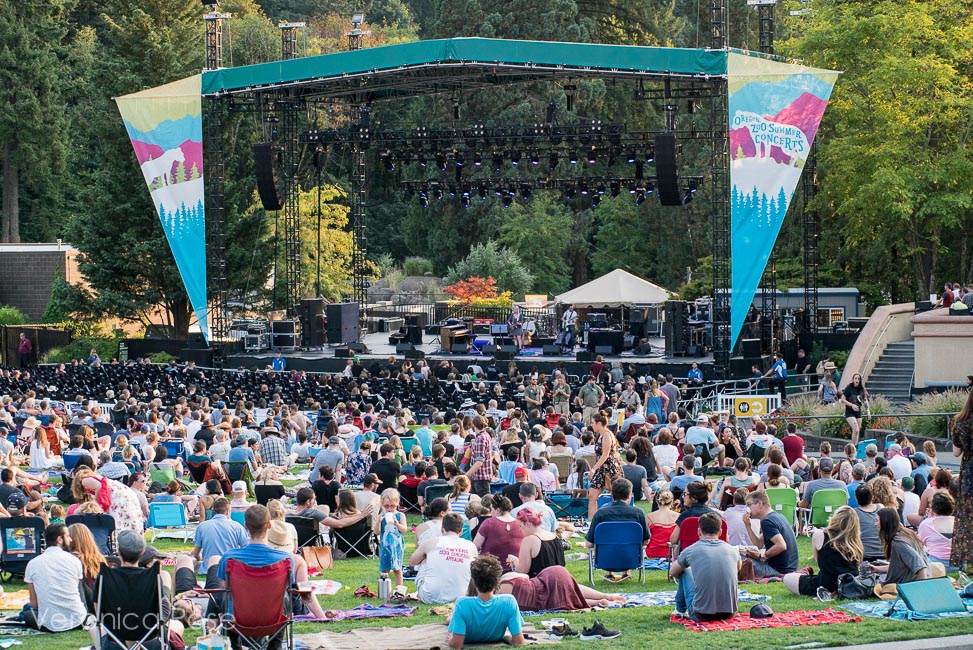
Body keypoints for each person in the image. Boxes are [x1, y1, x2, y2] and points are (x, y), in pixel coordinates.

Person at [669, 512, 740, 621]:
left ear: (699, 531)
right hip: (729, 613)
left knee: (685, 571)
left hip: (701, 614)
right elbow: (737, 569)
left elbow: (673, 572)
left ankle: (680, 610)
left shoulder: (691, 550)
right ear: (720, 532)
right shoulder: (733, 551)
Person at [24, 524, 93, 636]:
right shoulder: (74, 561)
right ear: (59, 539)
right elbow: (80, 593)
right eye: (68, 536)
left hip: (48, 623)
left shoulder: (32, 564)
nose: (70, 540)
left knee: (27, 613)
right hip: (78, 620)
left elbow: (34, 604)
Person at [783, 506, 863, 598]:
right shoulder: (855, 542)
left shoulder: (820, 534)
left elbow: (818, 561)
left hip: (826, 584)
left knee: (788, 578)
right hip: (851, 584)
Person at [447, 555, 525, 649]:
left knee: (451, 621)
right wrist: (506, 637)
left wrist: (449, 639)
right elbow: (519, 642)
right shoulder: (509, 602)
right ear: (497, 581)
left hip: (466, 635)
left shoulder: (462, 604)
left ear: (474, 581)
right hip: (497, 636)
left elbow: (457, 645)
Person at [585, 478, 649, 581]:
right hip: (631, 560)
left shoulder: (600, 513)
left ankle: (609, 571)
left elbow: (589, 544)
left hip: (605, 560)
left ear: (611, 495)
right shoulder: (638, 513)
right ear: (629, 495)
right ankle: (626, 571)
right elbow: (646, 541)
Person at [410, 513, 478, 604]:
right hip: (463, 595)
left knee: (425, 558)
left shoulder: (431, 542)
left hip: (430, 596)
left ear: (442, 530)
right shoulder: (471, 546)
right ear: (461, 531)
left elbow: (412, 562)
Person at [498, 564, 625, 611]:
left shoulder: (497, 596)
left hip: (543, 598)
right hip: (549, 576)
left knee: (571, 600)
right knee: (571, 590)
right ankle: (604, 596)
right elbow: (525, 575)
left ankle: (599, 601)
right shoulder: (507, 578)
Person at [743, 490, 799, 578]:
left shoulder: (767, 521)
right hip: (789, 568)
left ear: (760, 503)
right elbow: (759, 544)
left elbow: (781, 545)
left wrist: (762, 555)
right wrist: (748, 526)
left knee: (739, 557)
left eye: (749, 505)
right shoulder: (777, 516)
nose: (747, 509)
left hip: (777, 570)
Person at [872, 508, 929, 585]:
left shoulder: (898, 543)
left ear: (885, 522)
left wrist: (924, 587)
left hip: (905, 583)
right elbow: (900, 567)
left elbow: (920, 565)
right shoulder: (907, 534)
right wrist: (878, 569)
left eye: (877, 521)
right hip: (909, 579)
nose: (875, 524)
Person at [949, 388, 973, 571]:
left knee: (967, 518)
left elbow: (956, 453)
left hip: (969, 475)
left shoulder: (960, 423)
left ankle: (967, 562)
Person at [507, 507, 564, 578]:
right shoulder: (554, 535)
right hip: (559, 580)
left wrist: (514, 560)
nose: (519, 529)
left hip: (540, 584)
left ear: (527, 524)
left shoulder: (529, 540)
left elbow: (523, 570)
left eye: (520, 526)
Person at [193, 496, 249, 565]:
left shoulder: (202, 526)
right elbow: (246, 549)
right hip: (229, 567)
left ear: (214, 511)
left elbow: (195, 553)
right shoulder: (237, 527)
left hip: (208, 568)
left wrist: (200, 559)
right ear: (228, 511)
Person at [374, 488, 409, 601]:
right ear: (382, 504)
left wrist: (397, 523)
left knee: (398, 568)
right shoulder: (382, 516)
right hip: (385, 545)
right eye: (387, 506)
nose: (389, 508)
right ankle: (385, 590)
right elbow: (377, 532)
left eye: (392, 506)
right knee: (385, 569)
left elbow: (404, 530)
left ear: (397, 504)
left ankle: (399, 591)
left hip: (397, 546)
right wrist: (379, 522)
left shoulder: (400, 515)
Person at [472, 495, 523, 572]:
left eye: (492, 509)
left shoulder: (489, 523)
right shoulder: (520, 524)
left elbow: (474, 546)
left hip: (490, 570)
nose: (491, 512)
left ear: (498, 510)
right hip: (514, 569)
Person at [587, 413, 621, 519]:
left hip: (610, 469)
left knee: (617, 496)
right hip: (601, 469)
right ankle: (591, 522)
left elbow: (605, 454)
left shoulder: (607, 434)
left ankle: (619, 518)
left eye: (593, 423)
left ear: (599, 423)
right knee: (592, 496)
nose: (591, 425)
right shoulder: (600, 434)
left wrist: (593, 469)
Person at [917, 492, 955, 570]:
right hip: (957, 564)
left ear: (933, 508)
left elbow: (919, 545)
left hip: (935, 564)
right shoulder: (959, 522)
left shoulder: (926, 524)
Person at [841, 373, 869, 447]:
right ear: (853, 379)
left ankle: (855, 447)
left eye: (858, 379)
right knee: (856, 429)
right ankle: (853, 447)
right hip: (850, 411)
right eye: (855, 378)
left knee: (857, 431)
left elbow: (865, 400)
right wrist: (851, 405)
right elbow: (843, 399)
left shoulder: (861, 389)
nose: (857, 380)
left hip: (858, 411)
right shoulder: (849, 388)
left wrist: (868, 411)